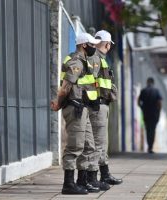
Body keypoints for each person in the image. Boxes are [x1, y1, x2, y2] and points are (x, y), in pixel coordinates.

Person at [50, 32, 101, 194]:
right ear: (84, 45)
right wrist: (58, 102)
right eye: (92, 45)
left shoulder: (84, 61)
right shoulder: (76, 62)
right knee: (75, 146)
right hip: (75, 108)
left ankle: (82, 181)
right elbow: (66, 86)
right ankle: (68, 184)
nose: (95, 47)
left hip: (83, 107)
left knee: (89, 145)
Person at [82, 30, 123, 187]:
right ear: (107, 44)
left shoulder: (97, 58)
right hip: (97, 105)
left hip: (99, 104)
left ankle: (104, 173)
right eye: (109, 45)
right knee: (98, 142)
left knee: (101, 142)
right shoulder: (96, 59)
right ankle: (93, 178)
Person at [138, 77, 162, 153]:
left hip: (146, 113)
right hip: (154, 114)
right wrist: (158, 111)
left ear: (147, 82)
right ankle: (151, 147)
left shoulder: (143, 91)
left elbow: (138, 101)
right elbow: (160, 103)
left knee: (148, 130)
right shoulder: (156, 91)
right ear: (153, 82)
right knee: (153, 130)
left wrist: (142, 108)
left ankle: (149, 146)